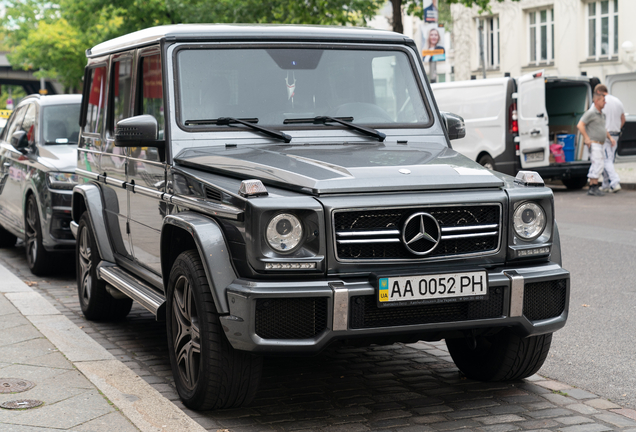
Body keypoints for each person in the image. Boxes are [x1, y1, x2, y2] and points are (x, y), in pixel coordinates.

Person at [577, 92, 616, 196]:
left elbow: (603, 129)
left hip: (601, 143)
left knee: (598, 164)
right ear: (597, 101)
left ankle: (593, 186)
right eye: (603, 100)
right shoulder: (591, 113)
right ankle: (593, 187)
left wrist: (610, 138)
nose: (605, 102)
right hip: (594, 143)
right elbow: (580, 125)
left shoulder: (601, 114)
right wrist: (587, 138)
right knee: (597, 164)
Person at [594, 84, 625, 193]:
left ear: (598, 92)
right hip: (615, 134)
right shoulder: (618, 101)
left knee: (606, 160)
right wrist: (617, 128)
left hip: (605, 135)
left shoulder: (600, 102)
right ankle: (606, 184)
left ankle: (615, 182)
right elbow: (623, 119)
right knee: (610, 159)